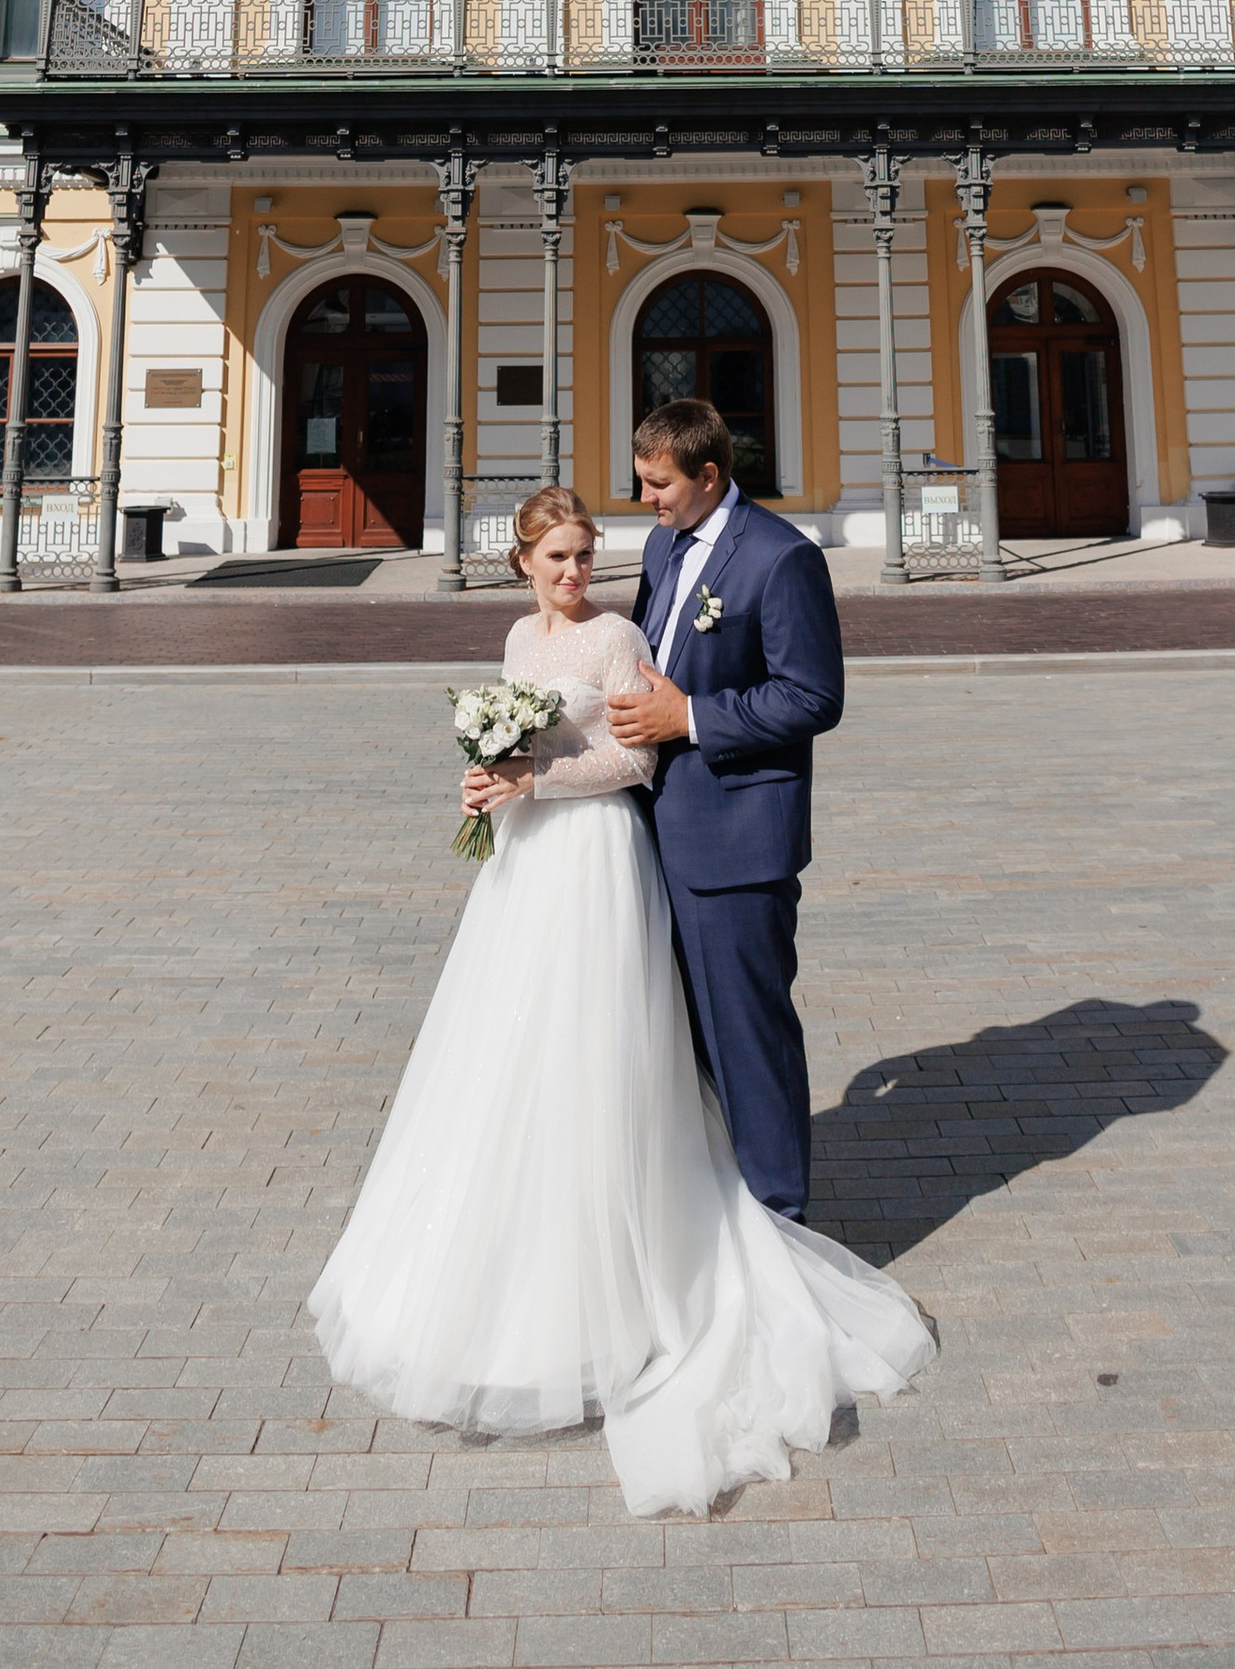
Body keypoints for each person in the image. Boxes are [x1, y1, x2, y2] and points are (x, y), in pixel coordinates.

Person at [307, 481, 930, 1518]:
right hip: (524, 871)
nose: (574, 574)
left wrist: (533, 781)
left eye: (585, 556)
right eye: (556, 559)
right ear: (521, 564)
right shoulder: (516, 640)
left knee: (599, 1050)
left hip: (595, 859)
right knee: (505, 1055)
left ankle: (649, 1251)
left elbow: (634, 755)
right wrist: (484, 774)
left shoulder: (616, 635)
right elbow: (515, 742)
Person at [606, 396, 842, 1218]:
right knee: (688, 1039)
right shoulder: (664, 543)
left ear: (710, 476)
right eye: (640, 483)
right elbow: (647, 659)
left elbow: (813, 697)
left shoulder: (781, 560)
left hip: (738, 838)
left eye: (659, 485)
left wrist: (692, 719)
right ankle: (718, 1210)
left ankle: (781, 1220)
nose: (646, 501)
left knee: (749, 1040)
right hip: (659, 825)